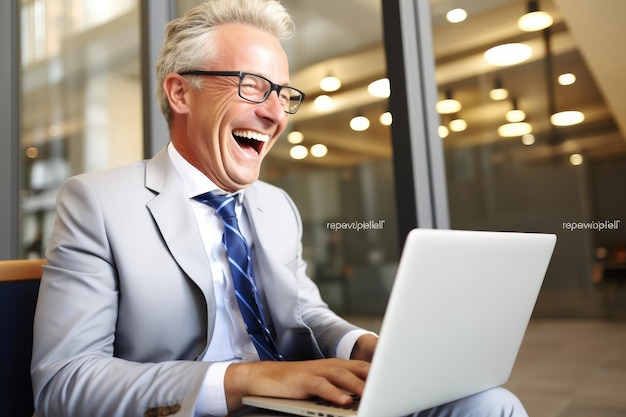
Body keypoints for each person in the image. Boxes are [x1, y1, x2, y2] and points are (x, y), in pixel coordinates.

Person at [31, 1, 529, 416]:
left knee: (490, 404)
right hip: (201, 406)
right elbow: (64, 382)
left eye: (284, 95)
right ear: (181, 92)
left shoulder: (275, 205)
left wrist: (361, 346)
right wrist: (251, 379)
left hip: (297, 404)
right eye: (252, 86)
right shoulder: (97, 202)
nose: (274, 114)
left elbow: (303, 310)